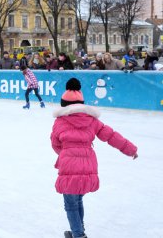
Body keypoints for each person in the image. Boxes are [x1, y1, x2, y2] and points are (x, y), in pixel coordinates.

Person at [51, 78, 138, 238]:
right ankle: (79, 230)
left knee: (70, 204)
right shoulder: (92, 120)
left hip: (68, 167)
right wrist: (130, 149)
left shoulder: (59, 122)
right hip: (88, 166)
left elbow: (55, 144)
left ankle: (78, 235)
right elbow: (111, 136)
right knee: (77, 200)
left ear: (63, 104)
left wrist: (66, 154)